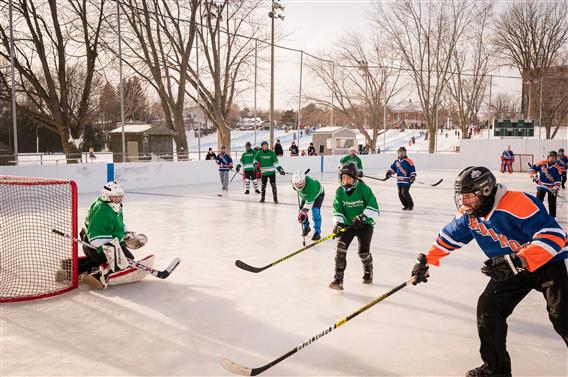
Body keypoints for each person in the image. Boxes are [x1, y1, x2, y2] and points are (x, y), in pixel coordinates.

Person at [410, 166, 567, 377]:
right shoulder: (469, 215)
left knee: (562, 316)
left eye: (468, 196)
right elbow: (449, 237)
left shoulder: (517, 202)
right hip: (510, 268)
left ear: (486, 191)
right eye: (461, 196)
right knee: (488, 308)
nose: (464, 202)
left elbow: (554, 235)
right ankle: (496, 369)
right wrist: (426, 261)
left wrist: (521, 258)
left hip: (546, 262)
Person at [77, 181, 150, 289]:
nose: (118, 199)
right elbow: (95, 239)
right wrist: (120, 239)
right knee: (124, 262)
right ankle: (97, 276)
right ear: (105, 196)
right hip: (95, 246)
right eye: (114, 197)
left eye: (120, 196)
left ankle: (74, 268)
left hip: (105, 242)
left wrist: (125, 234)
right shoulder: (102, 210)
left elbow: (117, 224)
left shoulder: (114, 206)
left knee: (127, 258)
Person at [330, 163, 379, 290]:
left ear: (354, 178)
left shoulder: (363, 188)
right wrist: (338, 223)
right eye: (343, 178)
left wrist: (363, 217)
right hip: (348, 224)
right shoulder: (339, 191)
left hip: (365, 224)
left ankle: (368, 269)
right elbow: (337, 209)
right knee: (340, 248)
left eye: (348, 178)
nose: (346, 181)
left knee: (363, 252)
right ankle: (338, 278)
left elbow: (374, 207)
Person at [292, 171, 325, 241]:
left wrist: (303, 212)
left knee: (315, 211)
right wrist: (302, 212)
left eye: (300, 184)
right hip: (306, 195)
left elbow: (310, 202)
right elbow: (294, 184)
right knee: (301, 212)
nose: (298, 186)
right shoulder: (294, 182)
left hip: (318, 194)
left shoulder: (311, 186)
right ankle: (306, 227)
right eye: (296, 184)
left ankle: (317, 232)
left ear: (304, 181)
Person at [529, 151, 562, 218]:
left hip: (552, 188)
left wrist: (556, 187)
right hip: (541, 186)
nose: (551, 159)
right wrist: (534, 174)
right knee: (538, 202)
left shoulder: (557, 168)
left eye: (553, 157)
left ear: (555, 158)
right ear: (548, 157)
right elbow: (532, 168)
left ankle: (552, 217)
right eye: (550, 157)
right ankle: (538, 215)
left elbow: (558, 180)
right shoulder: (541, 163)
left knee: (552, 202)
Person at [386, 146, 416, 210]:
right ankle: (406, 205)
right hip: (399, 180)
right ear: (398, 153)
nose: (401, 153)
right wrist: (389, 172)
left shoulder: (409, 161)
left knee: (404, 192)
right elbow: (393, 169)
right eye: (400, 152)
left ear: (405, 153)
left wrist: (412, 176)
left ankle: (411, 205)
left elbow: (412, 169)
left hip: (407, 180)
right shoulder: (396, 161)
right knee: (400, 194)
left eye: (403, 152)